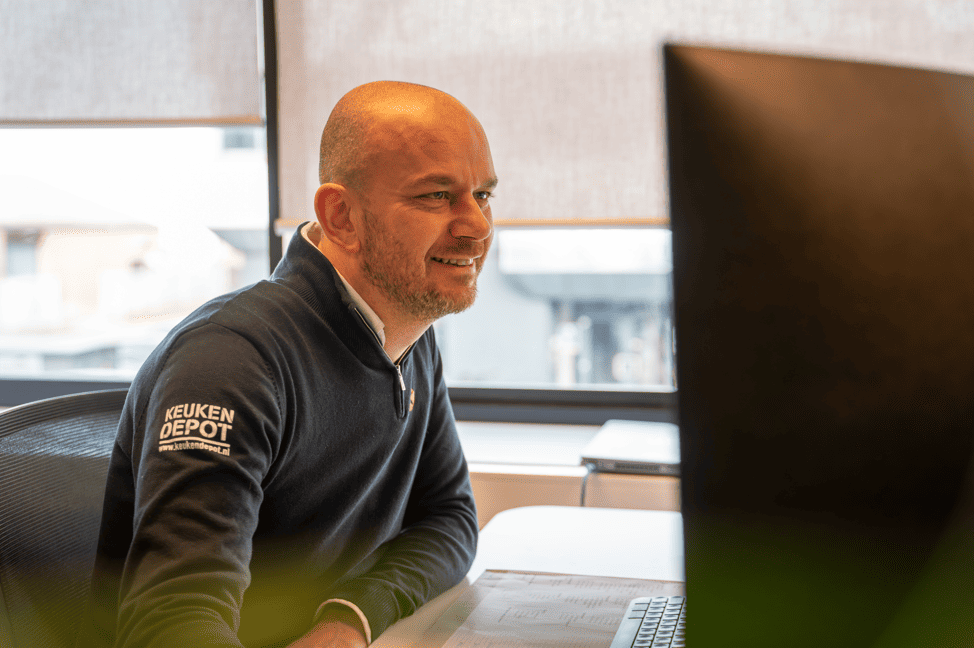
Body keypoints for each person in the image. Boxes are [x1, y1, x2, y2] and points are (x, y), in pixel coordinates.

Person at [75, 81, 496, 648]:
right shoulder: (230, 361)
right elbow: (174, 624)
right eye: (437, 196)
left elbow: (449, 518)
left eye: (482, 195)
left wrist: (350, 618)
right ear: (341, 216)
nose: (477, 225)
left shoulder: (409, 333)